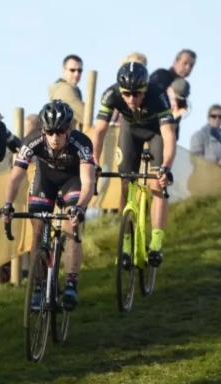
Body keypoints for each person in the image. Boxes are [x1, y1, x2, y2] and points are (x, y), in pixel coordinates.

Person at [0, 100, 96, 311]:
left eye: (60, 132)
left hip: (73, 180)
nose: (54, 137)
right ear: (43, 129)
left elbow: (88, 182)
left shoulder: (82, 143)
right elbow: (15, 177)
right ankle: (39, 287)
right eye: (49, 131)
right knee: (38, 229)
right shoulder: (33, 140)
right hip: (46, 180)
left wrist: (80, 206)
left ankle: (71, 284)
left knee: (71, 226)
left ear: (68, 129)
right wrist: (7, 204)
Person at [91, 62, 176, 269]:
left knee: (157, 185)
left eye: (136, 94)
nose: (131, 98)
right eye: (126, 94)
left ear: (145, 89)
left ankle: (156, 244)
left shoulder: (158, 96)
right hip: (130, 132)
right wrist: (92, 161)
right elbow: (99, 131)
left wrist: (166, 165)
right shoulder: (111, 94)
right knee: (125, 185)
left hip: (155, 132)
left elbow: (168, 135)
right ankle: (126, 244)